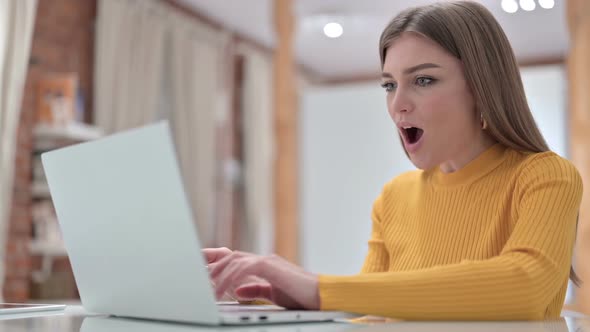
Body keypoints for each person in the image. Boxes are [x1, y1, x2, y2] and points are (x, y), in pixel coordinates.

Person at [205, 0, 583, 320]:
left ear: (481, 88)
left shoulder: (546, 177)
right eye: (389, 84)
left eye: (423, 80)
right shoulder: (394, 197)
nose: (397, 103)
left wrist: (315, 287)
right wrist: (260, 293)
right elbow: (369, 317)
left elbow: (526, 286)